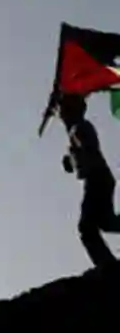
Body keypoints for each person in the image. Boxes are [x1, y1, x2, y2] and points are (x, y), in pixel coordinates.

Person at [59, 93, 120, 266]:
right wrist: (72, 159)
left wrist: (73, 158)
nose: (62, 116)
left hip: (97, 178)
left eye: (64, 112)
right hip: (101, 177)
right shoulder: (78, 128)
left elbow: (88, 150)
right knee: (106, 222)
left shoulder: (79, 128)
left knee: (87, 227)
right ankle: (108, 265)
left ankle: (108, 266)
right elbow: (83, 151)